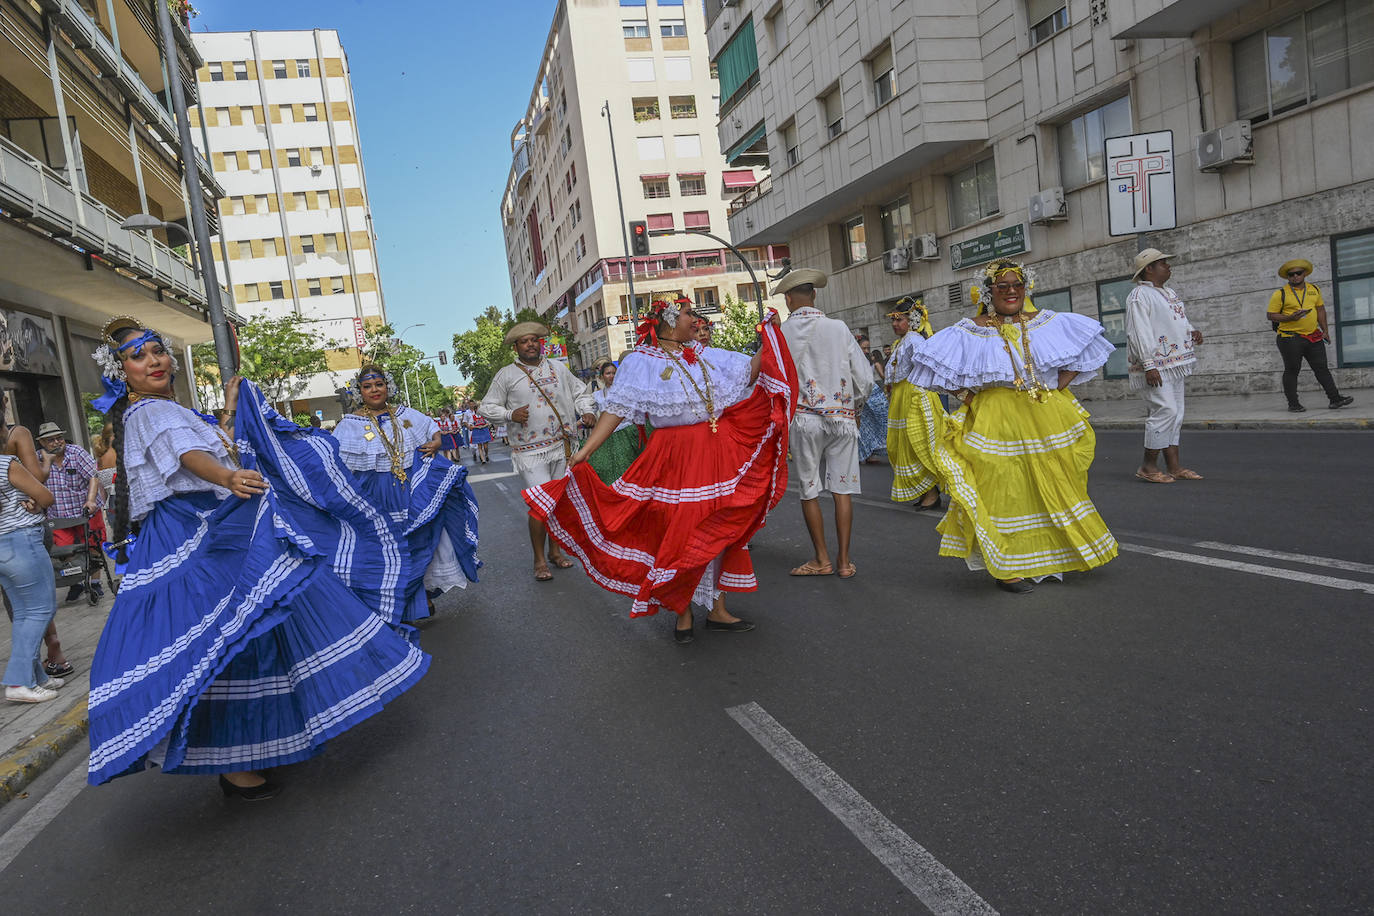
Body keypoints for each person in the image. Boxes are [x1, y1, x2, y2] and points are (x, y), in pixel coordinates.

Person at [86, 318, 429, 797]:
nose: (156, 361)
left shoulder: (165, 409)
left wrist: (228, 411)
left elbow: (214, 447)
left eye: (158, 350)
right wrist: (226, 479)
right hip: (193, 533)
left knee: (246, 635)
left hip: (207, 526)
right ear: (121, 372)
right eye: (139, 356)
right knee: (231, 641)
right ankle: (231, 761)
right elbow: (189, 457)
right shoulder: (149, 414)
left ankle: (248, 747)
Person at [524, 299, 799, 644]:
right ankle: (681, 609)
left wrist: (770, 333)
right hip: (672, 455)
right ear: (670, 321)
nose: (695, 321)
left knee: (717, 525)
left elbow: (749, 371)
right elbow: (617, 409)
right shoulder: (641, 362)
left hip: (715, 450)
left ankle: (716, 607)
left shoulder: (704, 353)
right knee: (676, 530)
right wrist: (587, 450)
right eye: (688, 315)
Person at [900, 259, 1119, 593]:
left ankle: (1051, 557)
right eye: (1002, 287)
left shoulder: (1045, 322)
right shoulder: (971, 329)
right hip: (996, 419)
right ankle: (1006, 567)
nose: (1012, 292)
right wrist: (969, 397)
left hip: (1047, 416)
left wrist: (1057, 385)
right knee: (1002, 489)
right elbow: (931, 366)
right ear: (989, 292)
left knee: (1054, 485)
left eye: (1018, 285)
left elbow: (1088, 346)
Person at [333, 365, 480, 623]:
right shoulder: (350, 424)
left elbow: (431, 428)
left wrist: (436, 442)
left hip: (411, 488)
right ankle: (397, 603)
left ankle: (421, 595)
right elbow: (334, 460)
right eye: (367, 386)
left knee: (419, 542)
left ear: (387, 386)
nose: (374, 390)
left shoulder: (404, 414)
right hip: (375, 497)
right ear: (360, 392)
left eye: (379, 384)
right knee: (389, 550)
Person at [480, 322, 595, 581]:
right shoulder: (506, 375)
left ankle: (555, 552)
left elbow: (581, 393)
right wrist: (510, 414)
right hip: (529, 452)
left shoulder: (558, 368)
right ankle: (539, 559)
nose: (530, 344)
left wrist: (587, 410)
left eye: (534, 340)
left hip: (562, 447)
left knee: (557, 504)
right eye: (524, 341)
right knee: (541, 505)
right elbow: (486, 407)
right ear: (516, 347)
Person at [778, 268, 872, 579]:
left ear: (789, 299)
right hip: (841, 419)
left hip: (804, 420)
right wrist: (853, 406)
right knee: (841, 490)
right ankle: (844, 562)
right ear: (814, 295)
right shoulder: (838, 327)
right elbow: (865, 377)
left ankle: (821, 559)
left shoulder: (781, 334)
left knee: (809, 489)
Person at [1125, 249, 1204, 483]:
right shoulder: (1139, 295)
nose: (1168, 267)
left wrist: (1192, 332)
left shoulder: (1169, 292)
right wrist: (1149, 365)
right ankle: (1148, 466)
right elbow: (1138, 331)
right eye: (1163, 263)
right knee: (1165, 410)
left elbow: (1178, 322)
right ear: (1149, 269)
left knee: (1176, 413)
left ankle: (1174, 466)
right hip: (1156, 366)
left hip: (1174, 363)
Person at [1, 425, 58, 703]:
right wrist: (36, 504)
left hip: (3, 548)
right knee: (41, 609)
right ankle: (17, 681)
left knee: (24, 612)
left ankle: (36, 676)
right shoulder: (6, 464)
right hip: (22, 541)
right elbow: (46, 496)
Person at [1266, 258, 1354, 413]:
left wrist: (1325, 331)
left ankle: (1335, 399)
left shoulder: (1314, 289)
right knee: (1292, 370)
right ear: (1287, 277)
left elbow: (1320, 310)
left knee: (1322, 368)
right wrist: (1289, 317)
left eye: (1298, 273)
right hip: (1289, 338)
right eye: (1291, 274)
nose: (1295, 277)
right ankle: (1293, 404)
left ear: (1304, 274)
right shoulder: (1280, 294)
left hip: (1313, 336)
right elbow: (1271, 315)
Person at [36, 421, 105, 604]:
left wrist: (90, 499)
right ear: (42, 442)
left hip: (85, 511)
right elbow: (35, 484)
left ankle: (96, 582)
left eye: (59, 438)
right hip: (58, 515)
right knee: (65, 551)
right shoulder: (38, 459)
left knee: (92, 546)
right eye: (51, 440)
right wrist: (47, 463)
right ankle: (77, 582)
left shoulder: (76, 453)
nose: (57, 442)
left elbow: (93, 475)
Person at [885, 296, 942, 511]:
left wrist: (919, 397)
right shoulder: (902, 342)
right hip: (902, 396)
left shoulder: (914, 340)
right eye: (893, 320)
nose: (894, 324)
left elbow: (926, 370)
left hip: (914, 395)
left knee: (918, 444)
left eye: (899, 320)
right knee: (904, 445)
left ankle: (932, 492)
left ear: (912, 320)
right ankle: (927, 491)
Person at [583, 357, 643, 484]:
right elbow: (584, 404)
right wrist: (587, 415)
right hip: (606, 438)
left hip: (627, 435)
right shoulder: (597, 395)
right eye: (608, 373)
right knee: (608, 470)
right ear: (602, 376)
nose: (611, 376)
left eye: (614, 373)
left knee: (628, 467)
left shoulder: (625, 392)